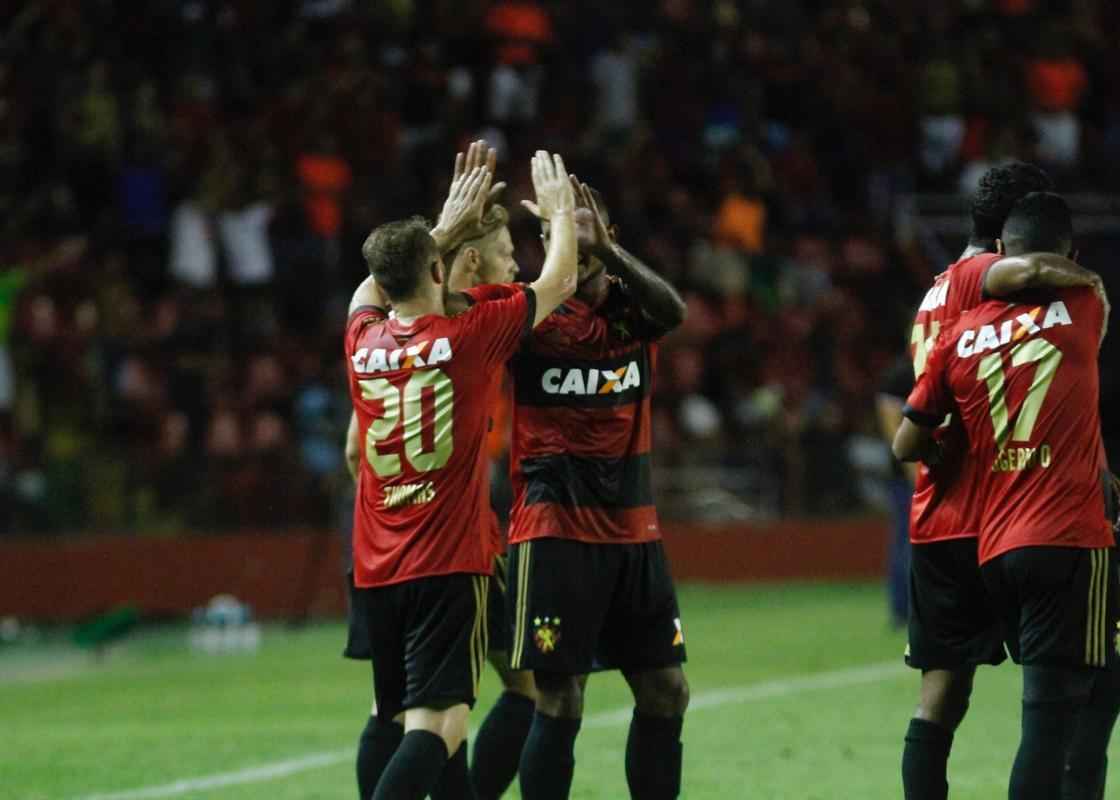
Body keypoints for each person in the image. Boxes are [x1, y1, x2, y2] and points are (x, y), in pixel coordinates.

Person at [345, 149, 577, 800]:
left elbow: (369, 290)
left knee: (392, 713)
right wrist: (560, 212)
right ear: (443, 266)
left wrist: (440, 230)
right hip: (447, 558)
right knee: (440, 724)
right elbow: (559, 280)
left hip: (375, 560)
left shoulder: (361, 338)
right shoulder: (474, 331)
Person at [449, 175, 690, 800]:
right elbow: (448, 308)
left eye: (583, 231)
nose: (572, 244)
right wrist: (450, 235)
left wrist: (605, 249)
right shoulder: (528, 313)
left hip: (634, 533)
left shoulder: (635, 310)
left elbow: (675, 312)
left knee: (667, 690)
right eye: (558, 231)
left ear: (608, 235)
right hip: (553, 532)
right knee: (560, 697)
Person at [894, 191, 1117, 800]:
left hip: (992, 540)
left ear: (999, 249)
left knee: (949, 697)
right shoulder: (1082, 304)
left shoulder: (957, 331)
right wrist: (1088, 277)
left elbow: (905, 441)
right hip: (1070, 534)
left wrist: (948, 449)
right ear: (1068, 255)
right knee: (1066, 711)